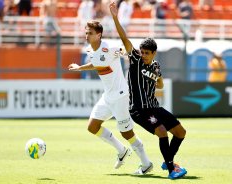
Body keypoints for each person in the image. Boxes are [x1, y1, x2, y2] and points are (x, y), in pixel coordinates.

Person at [109, 1, 187, 179]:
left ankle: (168, 159)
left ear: (154, 54)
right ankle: (171, 169)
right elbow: (124, 39)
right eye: (142, 51)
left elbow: (160, 84)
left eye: (146, 53)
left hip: (154, 107)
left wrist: (156, 81)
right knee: (161, 131)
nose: (143, 54)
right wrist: (115, 17)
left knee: (180, 132)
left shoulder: (156, 66)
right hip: (138, 109)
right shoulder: (135, 59)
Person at [68, 20, 153, 175]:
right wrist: (79, 68)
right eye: (86, 32)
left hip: (121, 96)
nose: (87, 36)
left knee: (127, 133)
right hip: (108, 96)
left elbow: (124, 51)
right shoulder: (90, 50)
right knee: (92, 126)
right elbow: (96, 63)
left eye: (90, 33)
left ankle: (146, 163)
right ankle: (121, 150)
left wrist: (132, 58)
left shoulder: (110, 48)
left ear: (99, 35)